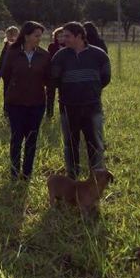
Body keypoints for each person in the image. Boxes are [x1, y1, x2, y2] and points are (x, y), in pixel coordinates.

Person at [51, 22, 111, 179]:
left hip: (92, 107)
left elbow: (105, 77)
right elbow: (55, 79)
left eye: (67, 36)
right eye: (63, 36)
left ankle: (96, 178)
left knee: (95, 143)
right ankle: (72, 176)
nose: (63, 39)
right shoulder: (60, 56)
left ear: (79, 36)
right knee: (70, 144)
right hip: (68, 107)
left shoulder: (99, 55)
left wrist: (91, 90)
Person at [0, 21, 51, 180]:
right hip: (16, 104)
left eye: (40, 36)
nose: (39, 39)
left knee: (31, 140)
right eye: (36, 35)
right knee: (16, 139)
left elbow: (48, 79)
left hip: (37, 104)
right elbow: (6, 75)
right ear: (27, 36)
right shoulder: (12, 52)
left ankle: (27, 173)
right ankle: (14, 172)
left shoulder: (44, 55)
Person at [0, 25, 19, 117]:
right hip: (7, 75)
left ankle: (16, 112)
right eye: (9, 35)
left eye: (13, 35)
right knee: (7, 93)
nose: (11, 38)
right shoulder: (6, 46)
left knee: (17, 94)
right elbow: (2, 62)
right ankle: (6, 112)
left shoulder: (22, 47)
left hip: (18, 75)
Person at [46, 26, 65, 118]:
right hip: (52, 74)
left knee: (63, 96)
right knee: (50, 96)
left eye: (62, 36)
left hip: (64, 75)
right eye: (58, 36)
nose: (60, 38)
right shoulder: (52, 46)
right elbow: (50, 59)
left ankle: (63, 114)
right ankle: (49, 114)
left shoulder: (69, 47)